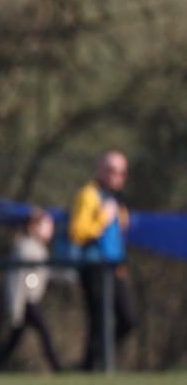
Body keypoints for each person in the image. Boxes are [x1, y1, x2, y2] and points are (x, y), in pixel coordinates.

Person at [68, 150, 137, 371]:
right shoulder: (88, 195)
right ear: (99, 169)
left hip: (114, 267)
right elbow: (76, 231)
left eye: (121, 173)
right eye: (111, 170)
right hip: (94, 266)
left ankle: (93, 362)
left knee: (128, 319)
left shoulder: (116, 199)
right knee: (98, 320)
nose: (116, 176)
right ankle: (90, 367)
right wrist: (101, 219)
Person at [0, 208, 61, 372]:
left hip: (28, 301)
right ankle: (57, 368)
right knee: (44, 333)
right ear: (33, 227)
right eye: (46, 225)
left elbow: (43, 273)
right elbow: (19, 281)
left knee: (14, 339)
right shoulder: (26, 249)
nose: (50, 229)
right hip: (26, 301)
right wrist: (16, 307)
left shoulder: (38, 248)